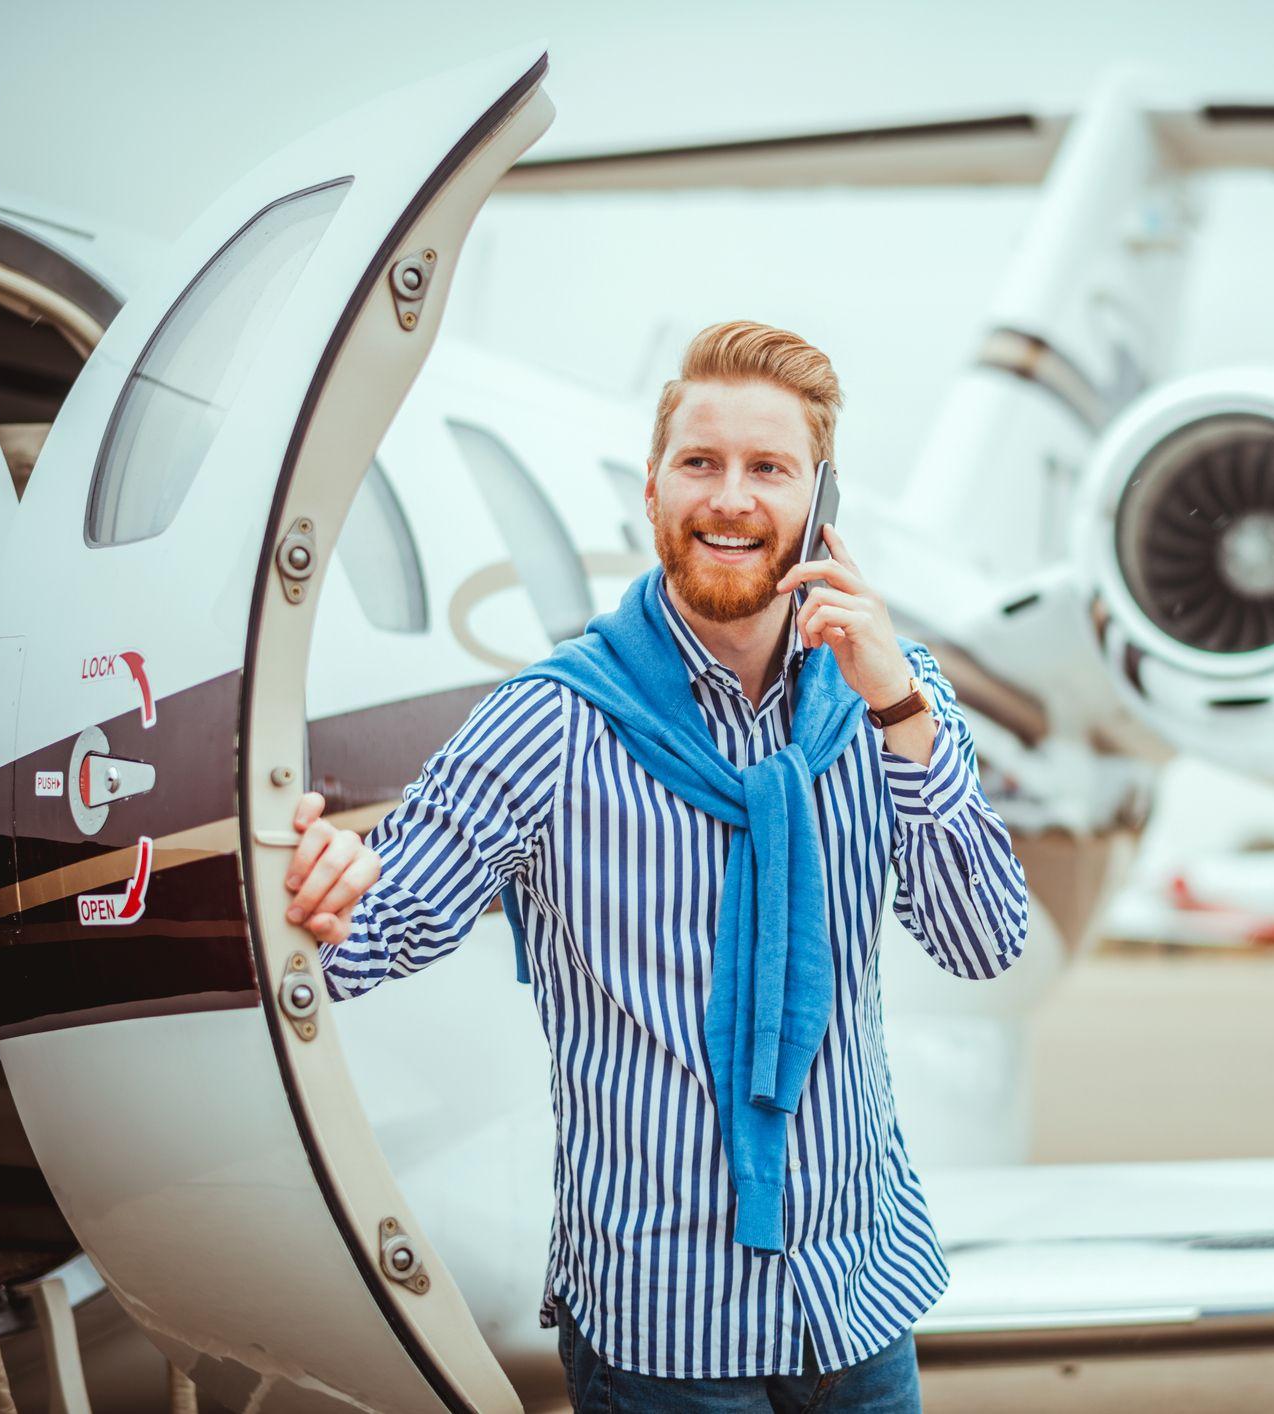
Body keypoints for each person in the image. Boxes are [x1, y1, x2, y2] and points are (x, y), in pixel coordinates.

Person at [280, 320, 1030, 1412]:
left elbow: (984, 940)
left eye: (769, 468)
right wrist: (310, 891)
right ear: (653, 492)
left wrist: (902, 710)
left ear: (821, 504)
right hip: (663, 1330)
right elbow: (379, 926)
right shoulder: (550, 721)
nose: (731, 497)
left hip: (860, 1303)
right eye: (701, 463)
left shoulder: (891, 699)